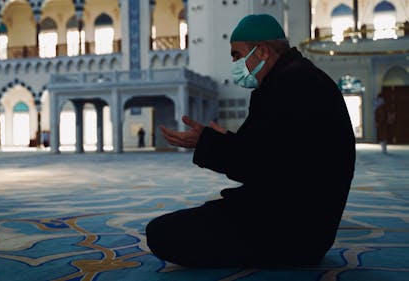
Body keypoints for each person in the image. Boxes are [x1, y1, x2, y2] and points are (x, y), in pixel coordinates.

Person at [146, 14, 356, 268]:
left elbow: (251, 164)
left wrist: (205, 142)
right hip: (307, 223)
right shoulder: (300, 78)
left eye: (237, 55)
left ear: (263, 51)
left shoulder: (285, 86)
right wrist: (219, 141)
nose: (235, 62)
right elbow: (270, 154)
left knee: (162, 234)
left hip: (289, 231)